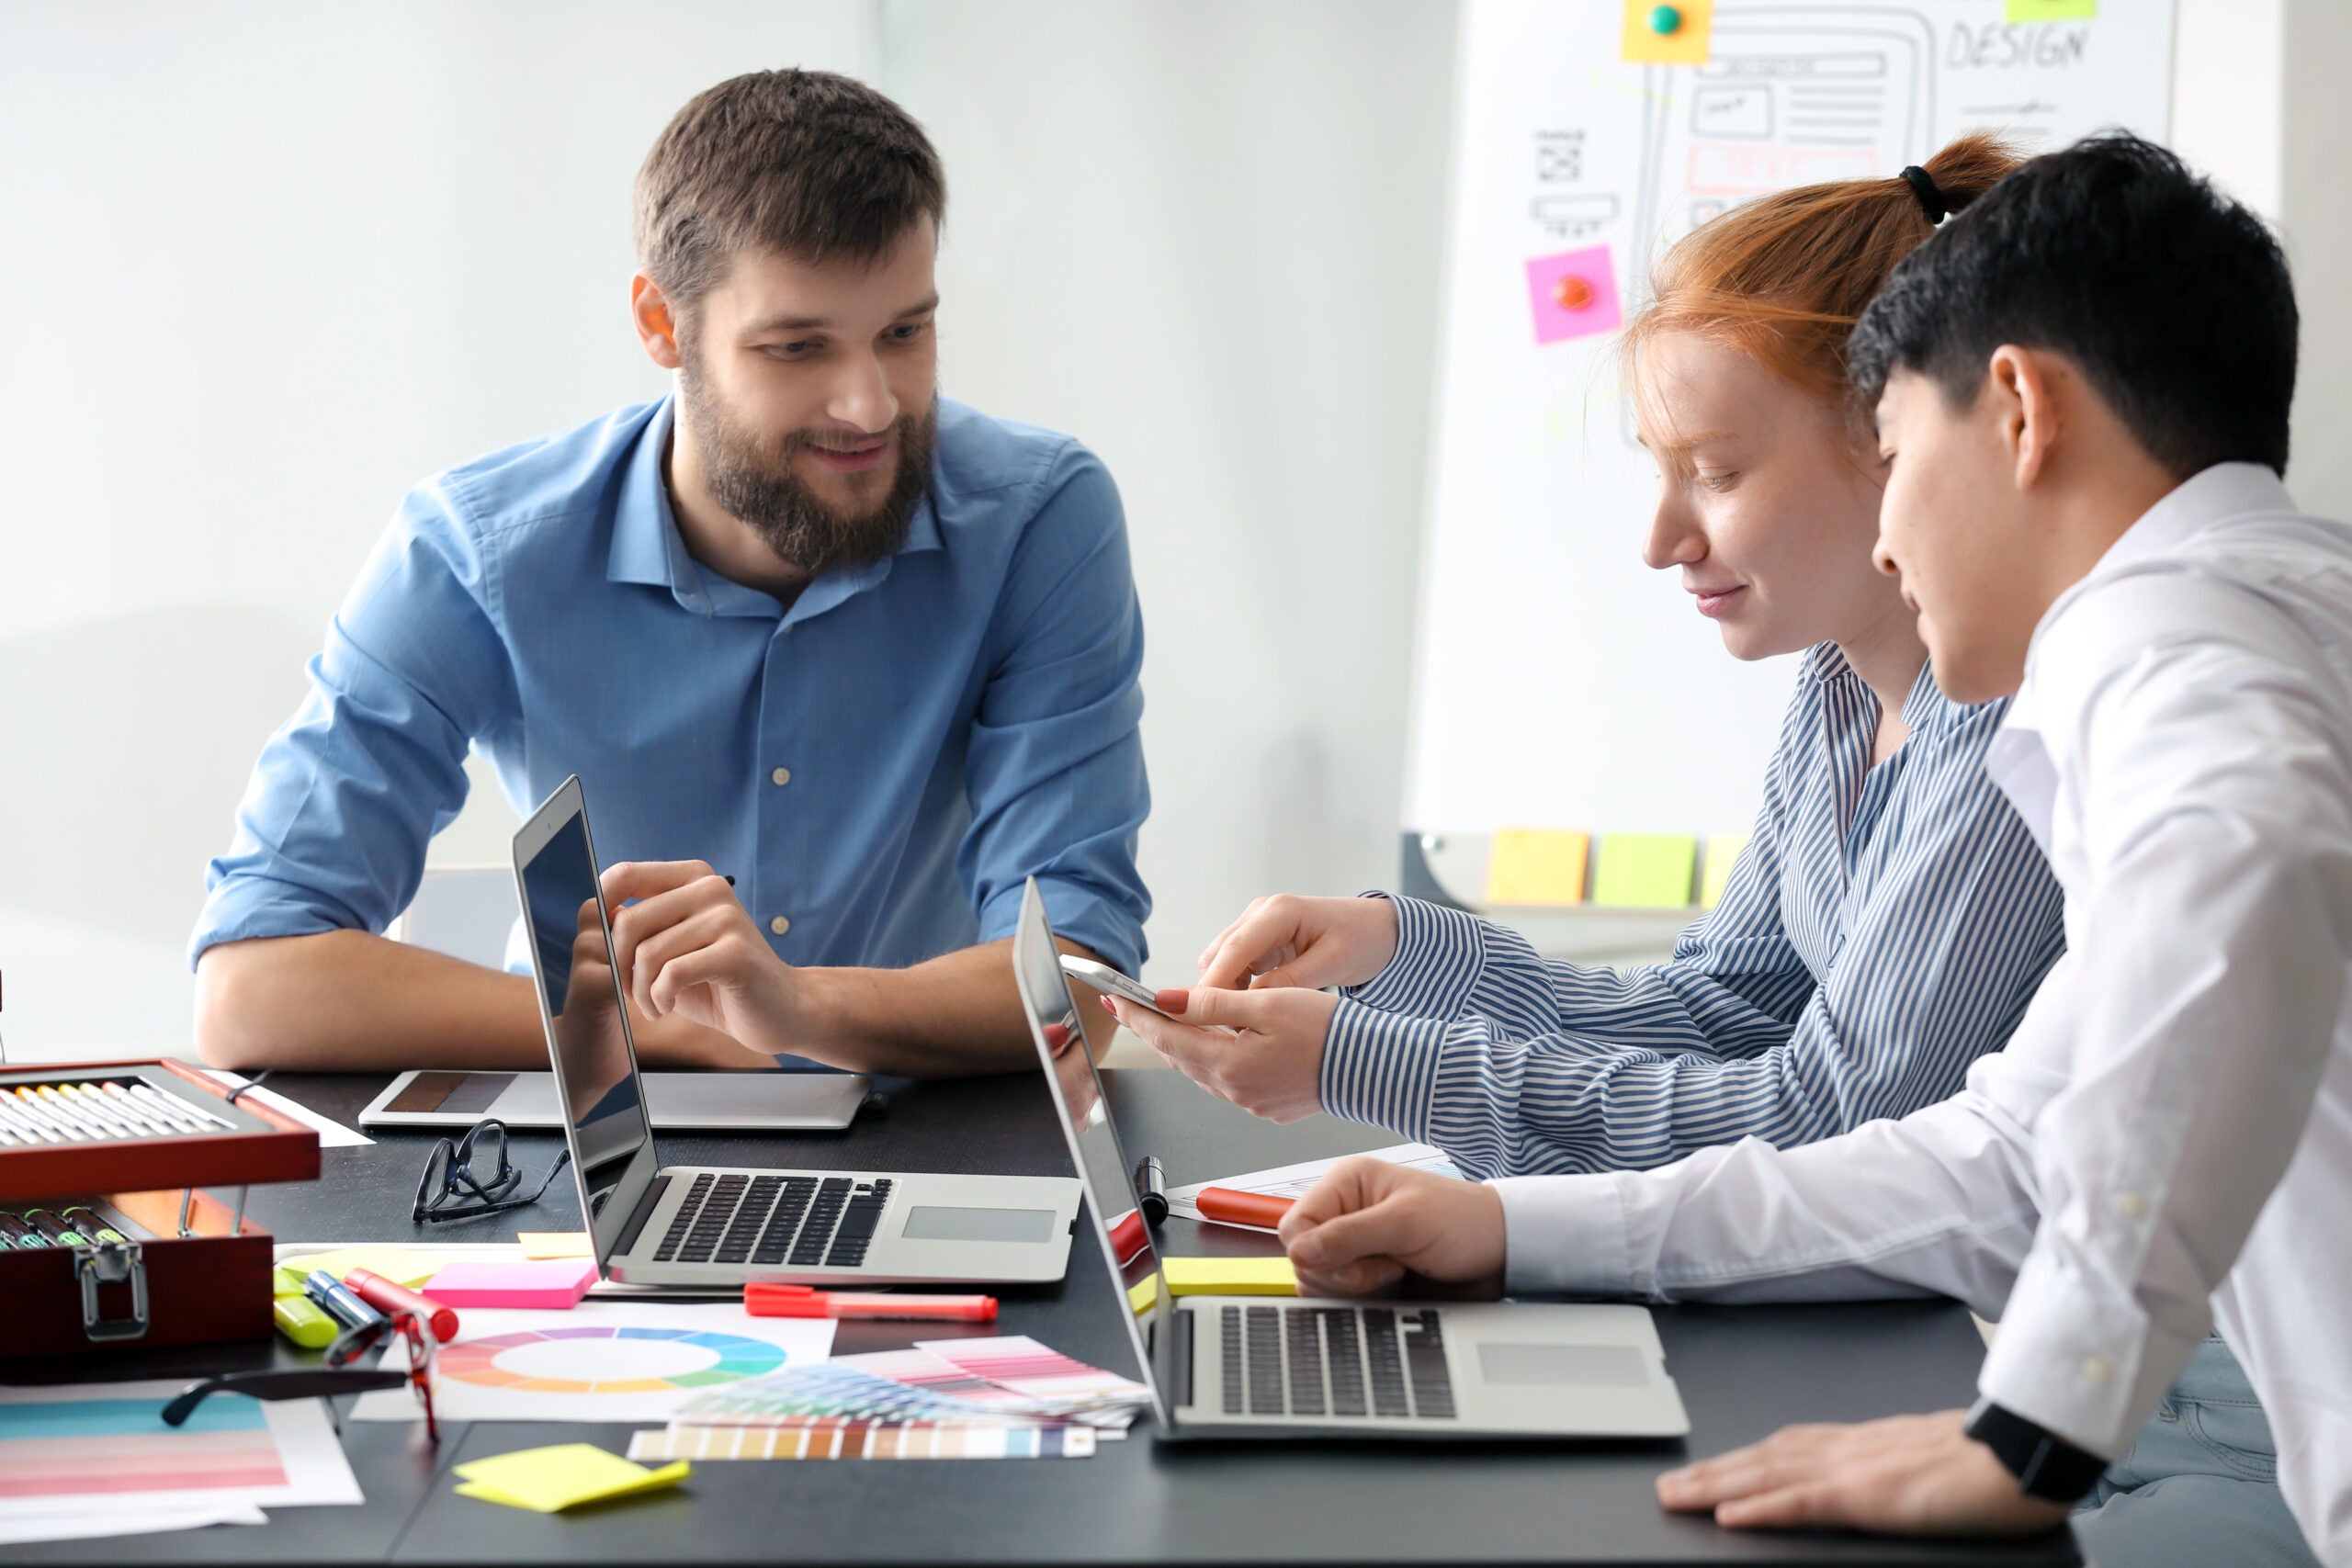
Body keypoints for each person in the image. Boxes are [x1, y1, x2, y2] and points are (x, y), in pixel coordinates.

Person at [1272, 134, 2343, 1567]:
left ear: (2017, 412)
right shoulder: (2254, 614)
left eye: (1894, 454)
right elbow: (2007, 1154)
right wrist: (1518, 1227)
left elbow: (2239, 880)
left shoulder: (2161, 650)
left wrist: (2033, 1432)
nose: (1893, 534)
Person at [1104, 138, 2064, 1178]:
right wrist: (1397, 948)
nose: (1661, 541)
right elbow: (1720, 1012)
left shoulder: (2011, 723)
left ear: (1893, 437)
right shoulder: (1836, 695)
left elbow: (1834, 1119)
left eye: (1718, 472)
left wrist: (1364, 1066)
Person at [191, 70, 1147, 1077]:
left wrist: (792, 1007)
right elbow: (251, 989)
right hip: (615, 1144)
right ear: (662, 325)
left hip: (941, 1136)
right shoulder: (477, 549)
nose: (869, 405)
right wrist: (659, 1031)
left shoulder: (1040, 518)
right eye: (797, 348)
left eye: (903, 333)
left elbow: (1077, 986)